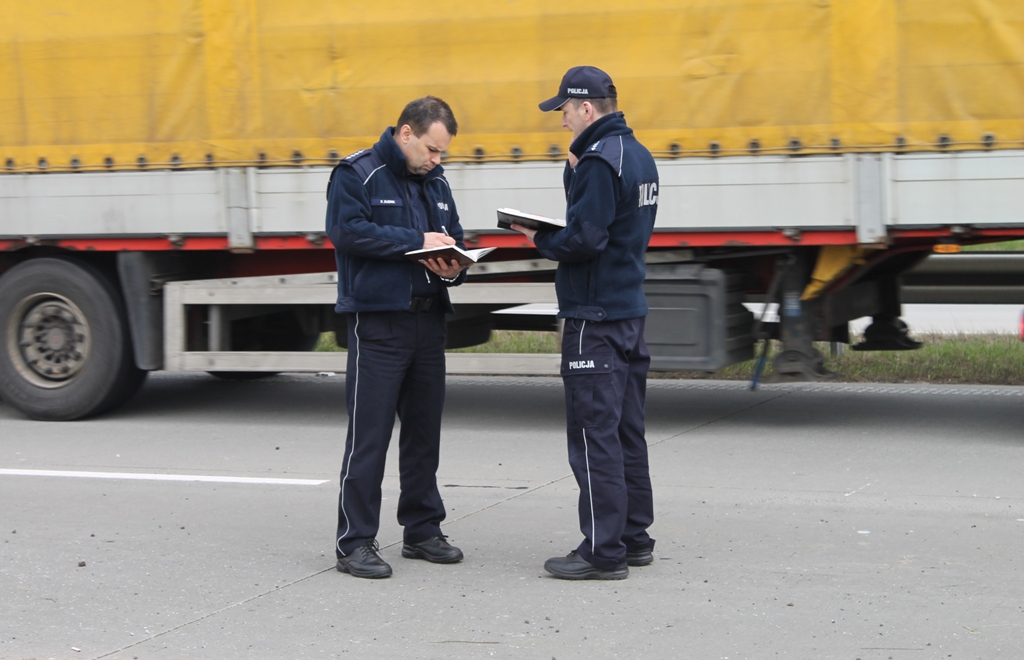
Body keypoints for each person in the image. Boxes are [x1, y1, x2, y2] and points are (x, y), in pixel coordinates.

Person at [510, 66, 659, 580]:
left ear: (587, 108)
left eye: (565, 111)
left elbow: (583, 241)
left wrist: (535, 237)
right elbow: (614, 228)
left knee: (594, 436)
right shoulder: (638, 156)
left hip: (592, 317)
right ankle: (634, 536)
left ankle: (602, 551)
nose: (562, 120)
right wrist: (574, 176)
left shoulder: (597, 161)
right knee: (625, 431)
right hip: (628, 313)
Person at [326, 96, 469, 579]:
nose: (437, 159)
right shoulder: (357, 173)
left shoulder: (438, 182)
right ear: (405, 133)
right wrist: (416, 243)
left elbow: (454, 238)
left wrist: (455, 265)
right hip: (380, 322)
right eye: (431, 149)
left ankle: (423, 529)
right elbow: (347, 233)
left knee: (424, 433)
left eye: (443, 152)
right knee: (369, 435)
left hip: (428, 321)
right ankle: (355, 542)